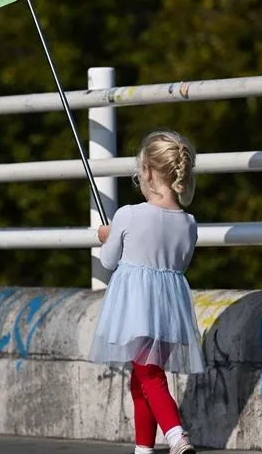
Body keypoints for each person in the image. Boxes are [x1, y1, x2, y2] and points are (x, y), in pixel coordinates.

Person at [89, 130, 204, 454]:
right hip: (170, 309)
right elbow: (180, 261)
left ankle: (176, 435)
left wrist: (106, 235)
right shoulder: (189, 222)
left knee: (149, 376)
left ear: (148, 172)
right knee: (141, 378)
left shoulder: (128, 214)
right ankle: (143, 448)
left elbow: (110, 261)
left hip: (136, 308)